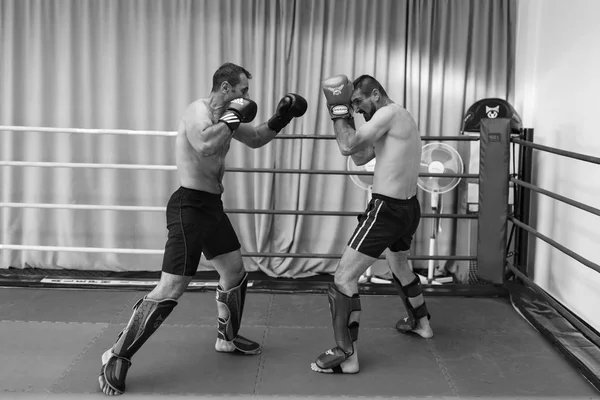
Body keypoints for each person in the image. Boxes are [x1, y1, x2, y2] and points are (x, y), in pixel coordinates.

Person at [99, 62, 308, 395]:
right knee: (171, 288)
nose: (246, 97)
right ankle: (116, 355)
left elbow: (254, 139)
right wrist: (232, 116)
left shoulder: (228, 117)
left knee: (235, 274)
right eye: (242, 91)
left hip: (211, 208)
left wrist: (282, 117)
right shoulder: (198, 111)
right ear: (225, 89)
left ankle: (227, 339)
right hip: (188, 208)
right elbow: (205, 145)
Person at [311, 74, 432, 374]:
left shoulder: (388, 113)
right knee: (400, 266)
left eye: (358, 103)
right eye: (351, 105)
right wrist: (348, 122)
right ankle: (422, 323)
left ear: (375, 94)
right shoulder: (397, 119)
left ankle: (346, 354)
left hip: (387, 211)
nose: (357, 110)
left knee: (343, 277)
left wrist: (337, 110)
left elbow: (347, 146)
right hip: (408, 208)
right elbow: (361, 155)